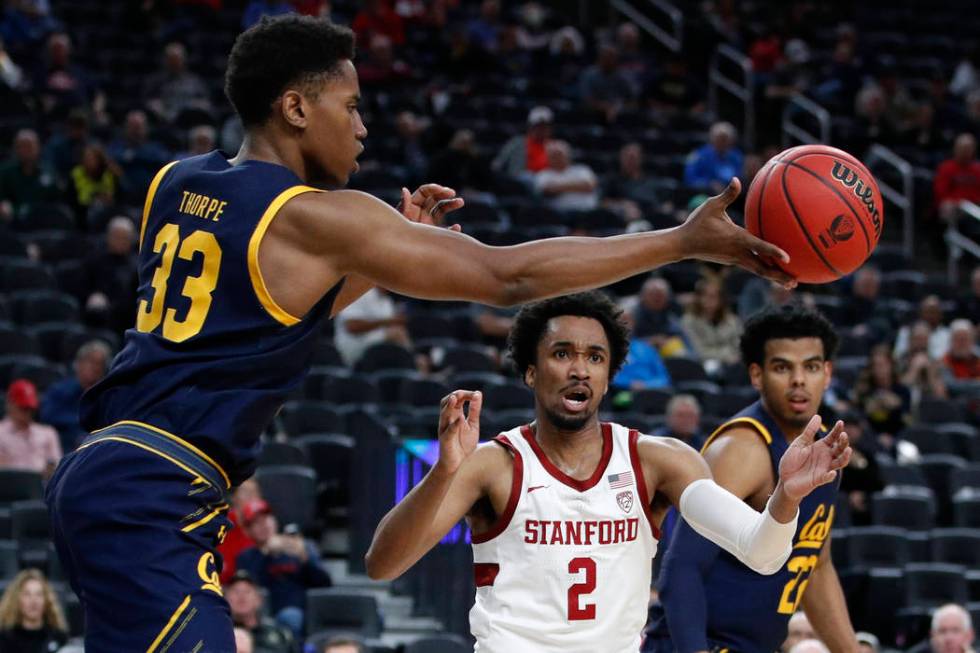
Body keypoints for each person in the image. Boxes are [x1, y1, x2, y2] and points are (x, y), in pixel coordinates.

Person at [45, 15, 793, 652]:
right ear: (296, 108)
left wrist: (393, 245)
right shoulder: (318, 214)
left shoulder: (176, 182)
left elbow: (270, 313)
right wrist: (680, 242)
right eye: (351, 105)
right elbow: (509, 277)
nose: (363, 126)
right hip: (154, 492)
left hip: (105, 470)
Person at [365, 292, 850, 652]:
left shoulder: (660, 460)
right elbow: (382, 564)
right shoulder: (494, 464)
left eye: (595, 357)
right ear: (531, 371)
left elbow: (763, 555)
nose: (580, 369)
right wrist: (444, 472)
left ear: (609, 372)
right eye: (562, 354)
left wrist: (786, 497)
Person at [645, 304, 859, 653]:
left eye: (812, 366)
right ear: (757, 375)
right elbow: (681, 567)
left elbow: (815, 568)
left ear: (829, 373)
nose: (799, 380)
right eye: (782, 367)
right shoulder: (742, 448)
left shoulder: (823, 446)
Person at [235, 499, 331, 637]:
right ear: (247, 531)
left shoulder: (302, 546)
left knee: (290, 617)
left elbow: (325, 583)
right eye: (256, 522)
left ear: (274, 520)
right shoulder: (246, 557)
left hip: (300, 612)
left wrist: (304, 558)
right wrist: (265, 553)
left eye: (266, 518)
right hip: (261, 613)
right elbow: (250, 587)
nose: (263, 525)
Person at [40, 340, 112, 454]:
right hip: (63, 450)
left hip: (96, 450)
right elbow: (47, 417)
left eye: (100, 364)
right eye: (91, 362)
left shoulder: (108, 395)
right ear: (79, 364)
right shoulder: (60, 391)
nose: (96, 368)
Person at [224, 570, 297, 653]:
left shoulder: (280, 634)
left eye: (247, 591)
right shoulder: (217, 635)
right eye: (236, 591)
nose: (241, 596)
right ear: (225, 600)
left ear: (259, 600)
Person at [0, 380, 62, 477]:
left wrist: (51, 470)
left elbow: (56, 466)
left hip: (41, 486)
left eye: (30, 408)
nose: (27, 413)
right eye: (23, 408)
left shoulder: (47, 433)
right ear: (10, 404)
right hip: (8, 487)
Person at [0, 569, 68, 653]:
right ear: (17, 600)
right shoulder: (4, 639)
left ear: (46, 600)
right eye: (27, 594)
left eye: (38, 594)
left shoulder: (59, 638)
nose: (33, 601)